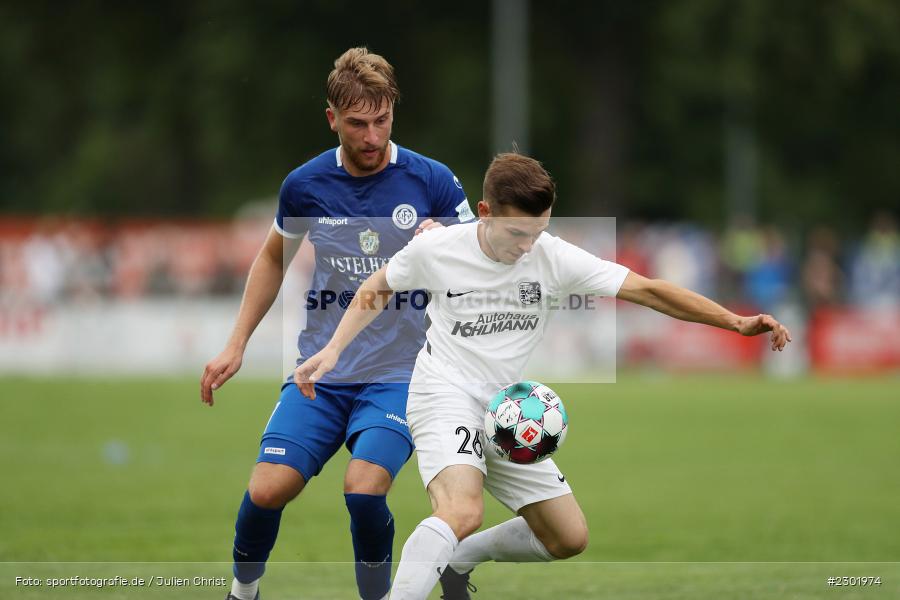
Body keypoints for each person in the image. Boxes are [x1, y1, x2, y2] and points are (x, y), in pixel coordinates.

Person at [294, 153, 792, 600]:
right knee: (463, 512)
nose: (529, 246)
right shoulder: (438, 249)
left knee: (567, 538)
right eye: (517, 234)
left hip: (506, 410)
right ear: (484, 214)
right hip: (442, 392)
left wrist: (735, 321)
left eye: (538, 231)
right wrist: (334, 349)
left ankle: (459, 559)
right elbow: (377, 286)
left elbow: (649, 290)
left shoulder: (552, 256)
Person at [200, 47, 473, 600]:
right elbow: (273, 257)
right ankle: (241, 593)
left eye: (382, 121)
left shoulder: (433, 181)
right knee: (267, 489)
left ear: (393, 111)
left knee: (364, 489)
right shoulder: (305, 184)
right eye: (357, 124)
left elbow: (480, 260)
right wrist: (236, 343)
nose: (372, 136)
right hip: (321, 369)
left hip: (402, 374)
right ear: (332, 118)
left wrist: (443, 242)